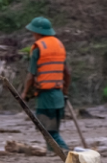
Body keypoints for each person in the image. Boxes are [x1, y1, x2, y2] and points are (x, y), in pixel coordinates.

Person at [20, 16, 70, 154]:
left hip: (45, 97)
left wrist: (24, 93)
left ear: (37, 32)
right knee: (53, 130)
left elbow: (31, 75)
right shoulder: (59, 45)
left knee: (48, 131)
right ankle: (53, 153)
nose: (32, 35)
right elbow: (68, 73)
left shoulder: (38, 48)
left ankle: (64, 152)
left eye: (33, 33)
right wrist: (65, 90)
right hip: (58, 95)